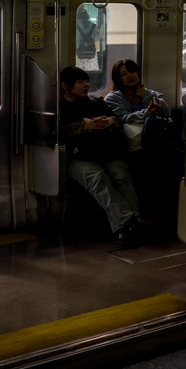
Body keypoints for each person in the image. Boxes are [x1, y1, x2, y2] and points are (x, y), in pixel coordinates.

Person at [58, 66, 144, 247]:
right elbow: (55, 132)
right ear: (65, 85)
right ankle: (131, 222)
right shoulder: (58, 108)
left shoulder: (96, 102)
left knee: (121, 175)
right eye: (81, 82)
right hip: (78, 157)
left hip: (106, 152)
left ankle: (126, 227)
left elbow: (118, 120)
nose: (86, 85)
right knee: (97, 178)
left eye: (87, 81)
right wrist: (84, 127)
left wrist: (110, 121)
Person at [105, 59, 177, 229]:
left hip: (157, 143)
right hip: (132, 146)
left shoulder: (150, 93)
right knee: (146, 168)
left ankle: (170, 214)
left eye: (132, 72)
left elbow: (166, 111)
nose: (129, 76)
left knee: (173, 163)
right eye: (123, 74)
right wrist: (147, 113)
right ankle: (147, 216)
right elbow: (123, 118)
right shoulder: (114, 98)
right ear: (118, 78)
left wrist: (145, 95)